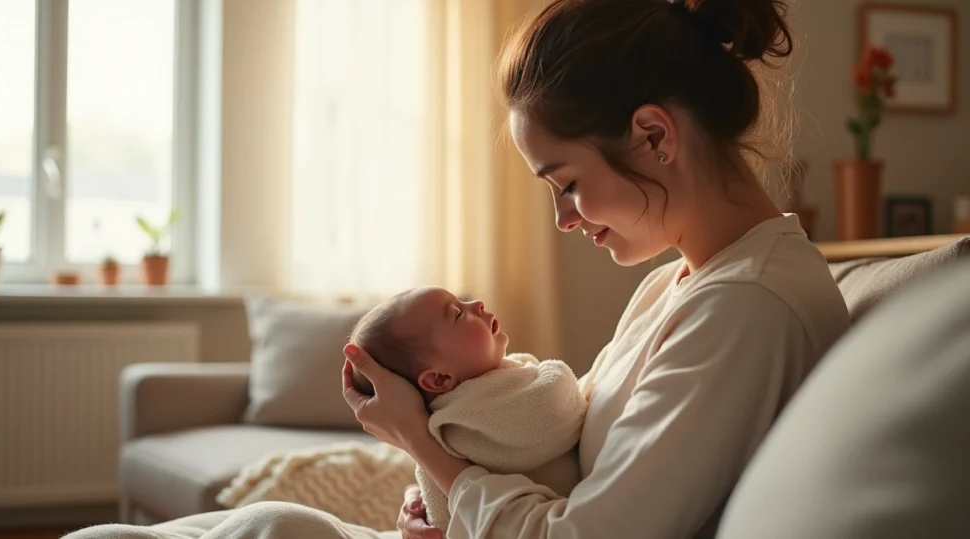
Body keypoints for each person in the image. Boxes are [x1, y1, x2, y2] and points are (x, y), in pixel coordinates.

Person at [340, 0, 852, 538]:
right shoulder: (677, 283)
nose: (562, 219)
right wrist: (444, 503)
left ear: (654, 135)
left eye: (568, 185)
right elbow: (564, 441)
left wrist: (421, 443)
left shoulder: (747, 305)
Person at [349, 286, 587, 534]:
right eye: (458, 314)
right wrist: (551, 370)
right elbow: (559, 411)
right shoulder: (476, 413)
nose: (478, 304)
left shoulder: (449, 419)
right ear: (439, 379)